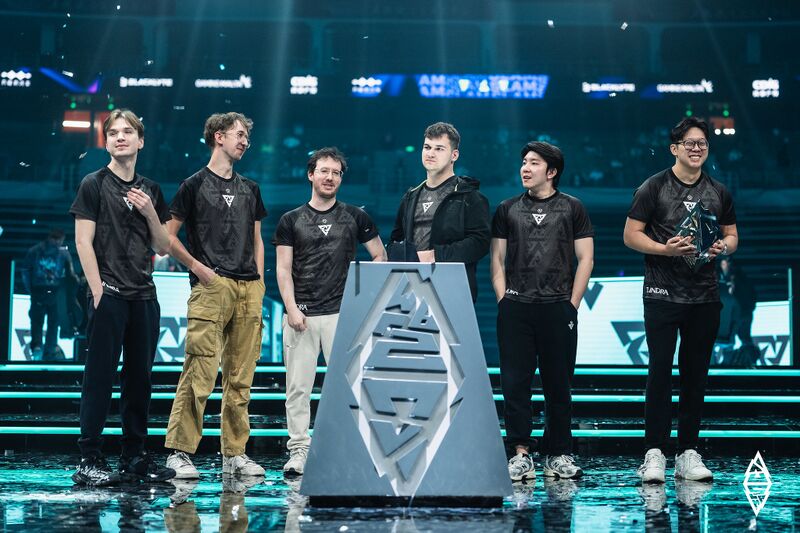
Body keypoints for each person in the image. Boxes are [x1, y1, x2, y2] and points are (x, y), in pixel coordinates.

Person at [623, 117, 738, 483]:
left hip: (704, 296)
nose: (696, 148)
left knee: (695, 375)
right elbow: (630, 234)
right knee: (659, 371)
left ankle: (688, 452)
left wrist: (722, 247)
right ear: (674, 148)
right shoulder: (653, 187)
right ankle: (654, 453)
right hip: (662, 294)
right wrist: (665, 249)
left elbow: (732, 236)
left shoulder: (719, 191)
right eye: (689, 143)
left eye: (702, 143)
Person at [69, 109, 175, 485]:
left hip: (144, 296)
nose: (119, 137)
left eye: (127, 131)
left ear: (140, 141)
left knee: (139, 380)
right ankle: (90, 459)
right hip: (109, 294)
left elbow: (163, 246)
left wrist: (149, 213)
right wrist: (98, 291)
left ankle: (134, 457)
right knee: (99, 377)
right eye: (112, 132)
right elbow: (83, 241)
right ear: (107, 142)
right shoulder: (93, 183)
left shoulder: (152, 190)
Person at [164, 112, 267, 478]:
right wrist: (198, 267)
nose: (245, 141)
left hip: (248, 288)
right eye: (239, 134)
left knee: (241, 378)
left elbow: (257, 239)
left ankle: (234, 454)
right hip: (211, 286)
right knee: (200, 372)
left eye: (247, 137)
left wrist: (259, 282)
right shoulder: (192, 185)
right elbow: (166, 237)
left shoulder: (251, 188)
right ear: (218, 136)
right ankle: (178, 453)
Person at [274, 147, 386, 475]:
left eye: (336, 173)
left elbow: (380, 256)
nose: (330, 177)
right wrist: (291, 309)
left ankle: (346, 449)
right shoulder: (290, 220)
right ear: (311, 174)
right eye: (324, 171)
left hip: (342, 317)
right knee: (298, 390)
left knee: (349, 388)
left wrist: (360, 300)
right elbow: (283, 269)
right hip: (302, 317)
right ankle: (299, 450)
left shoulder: (356, 216)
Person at [491, 141, 594, 481]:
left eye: (534, 163)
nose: (525, 167)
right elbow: (497, 260)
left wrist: (571, 305)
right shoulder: (506, 209)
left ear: (551, 172)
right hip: (516, 309)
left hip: (557, 308)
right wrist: (504, 300)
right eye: (524, 161)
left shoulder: (573, 207)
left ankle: (558, 454)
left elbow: (586, 259)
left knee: (559, 386)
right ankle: (520, 454)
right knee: (515, 386)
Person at [388, 122, 491, 302]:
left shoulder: (470, 197)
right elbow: (395, 241)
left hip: (453, 290)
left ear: (454, 155)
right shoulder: (410, 197)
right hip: (411, 290)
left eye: (439, 149)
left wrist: (435, 255)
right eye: (427, 147)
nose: (431, 153)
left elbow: (480, 243)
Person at [22, 228, 78, 360]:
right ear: (50, 238)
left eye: (60, 241)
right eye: (56, 240)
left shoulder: (63, 253)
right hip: (40, 289)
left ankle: (48, 348)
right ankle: (39, 347)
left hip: (53, 290)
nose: (58, 243)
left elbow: (70, 272)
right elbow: (25, 271)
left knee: (52, 321)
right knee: (39, 320)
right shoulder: (36, 251)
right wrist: (30, 289)